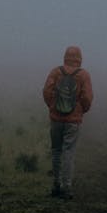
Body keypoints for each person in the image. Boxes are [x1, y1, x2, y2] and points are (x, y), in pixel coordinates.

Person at [42, 45, 93, 199]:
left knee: (56, 151)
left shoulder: (56, 72)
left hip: (56, 119)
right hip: (73, 121)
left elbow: (46, 91)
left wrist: (52, 107)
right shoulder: (83, 75)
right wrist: (80, 110)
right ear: (80, 58)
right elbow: (87, 98)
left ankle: (56, 185)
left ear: (65, 56)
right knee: (68, 152)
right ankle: (67, 187)